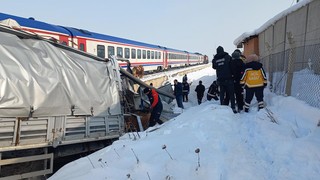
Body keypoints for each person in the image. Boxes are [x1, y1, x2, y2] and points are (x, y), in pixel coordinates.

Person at [212, 46, 237, 113]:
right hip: (229, 78)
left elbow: (214, 67)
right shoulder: (227, 57)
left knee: (222, 93)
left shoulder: (215, 59)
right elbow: (232, 66)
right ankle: (233, 108)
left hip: (220, 79)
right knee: (231, 94)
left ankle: (222, 106)